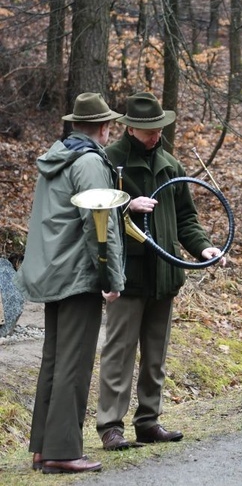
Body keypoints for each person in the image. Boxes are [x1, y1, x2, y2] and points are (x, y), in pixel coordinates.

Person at [96, 92, 226, 451]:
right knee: (118, 353)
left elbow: (187, 218)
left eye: (159, 129)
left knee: (156, 355)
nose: (155, 135)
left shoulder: (171, 164)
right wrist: (126, 204)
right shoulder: (109, 162)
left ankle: (148, 421)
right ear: (130, 129)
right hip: (127, 274)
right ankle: (110, 425)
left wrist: (203, 248)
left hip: (164, 273)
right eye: (148, 130)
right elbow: (93, 213)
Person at [16, 93, 124, 474]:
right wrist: (111, 277)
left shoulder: (57, 155)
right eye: (110, 124)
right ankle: (63, 452)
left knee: (54, 360)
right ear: (102, 126)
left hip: (51, 272)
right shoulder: (91, 161)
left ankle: (43, 449)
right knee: (73, 365)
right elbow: (101, 227)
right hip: (78, 275)